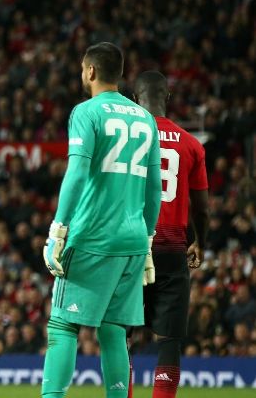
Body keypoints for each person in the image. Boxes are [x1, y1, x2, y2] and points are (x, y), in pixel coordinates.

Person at [41, 42, 162, 398]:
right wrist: (149, 241)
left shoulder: (86, 112)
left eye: (83, 69)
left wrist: (57, 231)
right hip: (135, 241)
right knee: (112, 330)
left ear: (90, 71)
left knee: (62, 325)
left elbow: (77, 173)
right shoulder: (145, 118)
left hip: (94, 236)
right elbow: (153, 190)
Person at [130, 70, 209, 398]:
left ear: (136, 99)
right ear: (168, 99)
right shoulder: (191, 143)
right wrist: (198, 240)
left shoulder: (128, 139)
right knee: (170, 339)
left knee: (120, 333)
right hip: (173, 248)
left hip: (131, 247)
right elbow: (201, 206)